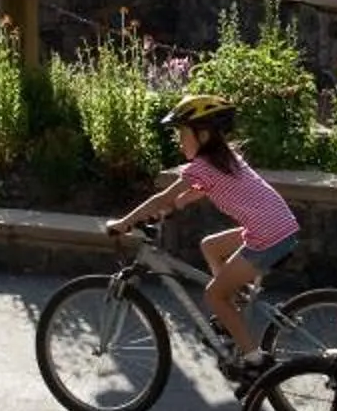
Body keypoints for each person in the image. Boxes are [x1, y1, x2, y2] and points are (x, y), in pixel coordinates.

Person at [105, 93, 302, 373]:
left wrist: (125, 222)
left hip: (268, 236)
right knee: (210, 245)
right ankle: (231, 305)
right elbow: (204, 187)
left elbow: (165, 195)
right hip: (279, 226)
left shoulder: (203, 166)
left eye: (183, 133)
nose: (179, 140)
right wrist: (181, 203)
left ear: (204, 135)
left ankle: (254, 360)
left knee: (214, 295)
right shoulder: (223, 159)